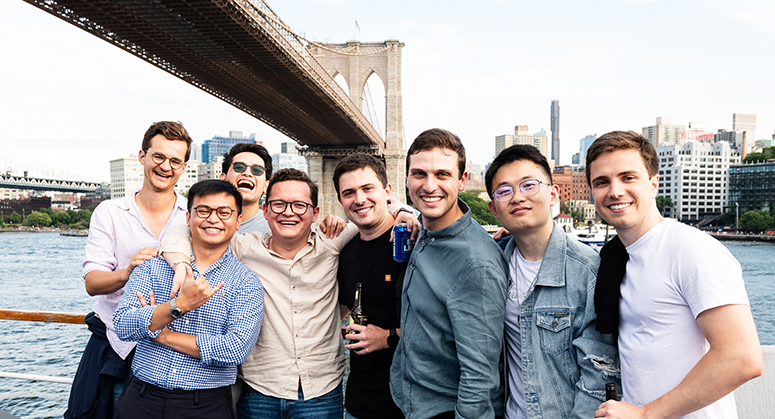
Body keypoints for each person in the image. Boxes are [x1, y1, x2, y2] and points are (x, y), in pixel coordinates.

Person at [587, 131, 762, 419]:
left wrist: (645, 414)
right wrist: (510, 242)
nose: (615, 191)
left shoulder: (691, 249)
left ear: (653, 183)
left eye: (628, 177)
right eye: (602, 182)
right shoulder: (614, 257)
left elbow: (741, 358)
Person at [160, 168, 357, 419]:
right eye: (278, 204)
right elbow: (180, 231)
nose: (288, 212)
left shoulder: (333, 241)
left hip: (320, 391)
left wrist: (403, 213)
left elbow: (380, 217)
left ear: (315, 213)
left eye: (299, 205)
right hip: (259, 391)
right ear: (265, 210)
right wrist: (180, 264)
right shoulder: (243, 246)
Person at [66, 121, 193, 419]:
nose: (165, 166)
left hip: (171, 347)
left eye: (175, 161)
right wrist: (127, 271)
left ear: (184, 167)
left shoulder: (193, 215)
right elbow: (92, 283)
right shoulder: (109, 212)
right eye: (158, 156)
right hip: (115, 342)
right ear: (142, 156)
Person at [485, 144, 620, 419]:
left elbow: (600, 376)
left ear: (553, 193)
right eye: (504, 190)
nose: (518, 197)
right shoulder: (491, 264)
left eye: (529, 185)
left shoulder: (588, 272)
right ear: (494, 208)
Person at [113, 179, 264, 419]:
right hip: (141, 397)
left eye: (224, 212)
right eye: (203, 211)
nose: (213, 219)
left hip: (205, 404)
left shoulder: (246, 282)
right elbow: (123, 324)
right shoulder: (153, 266)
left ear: (238, 221)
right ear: (188, 218)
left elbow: (235, 349)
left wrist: (161, 331)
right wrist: (177, 306)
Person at [390, 128, 509, 419]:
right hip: (409, 402)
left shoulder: (476, 264)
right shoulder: (424, 230)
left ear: (462, 180)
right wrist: (404, 214)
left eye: (442, 175)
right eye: (419, 174)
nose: (430, 186)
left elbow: (479, 377)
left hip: (444, 411)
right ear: (406, 180)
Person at [333, 153, 407, 419]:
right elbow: (346, 307)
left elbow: (440, 325)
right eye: (349, 193)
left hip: (410, 405)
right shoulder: (344, 251)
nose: (359, 199)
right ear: (341, 200)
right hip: (359, 402)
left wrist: (387, 337)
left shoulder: (411, 241)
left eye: (367, 188)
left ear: (387, 191)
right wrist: (346, 327)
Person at [220, 143, 273, 234]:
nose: (247, 173)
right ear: (223, 178)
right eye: (239, 167)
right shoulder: (201, 221)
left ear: (266, 186)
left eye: (257, 170)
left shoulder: (274, 230)